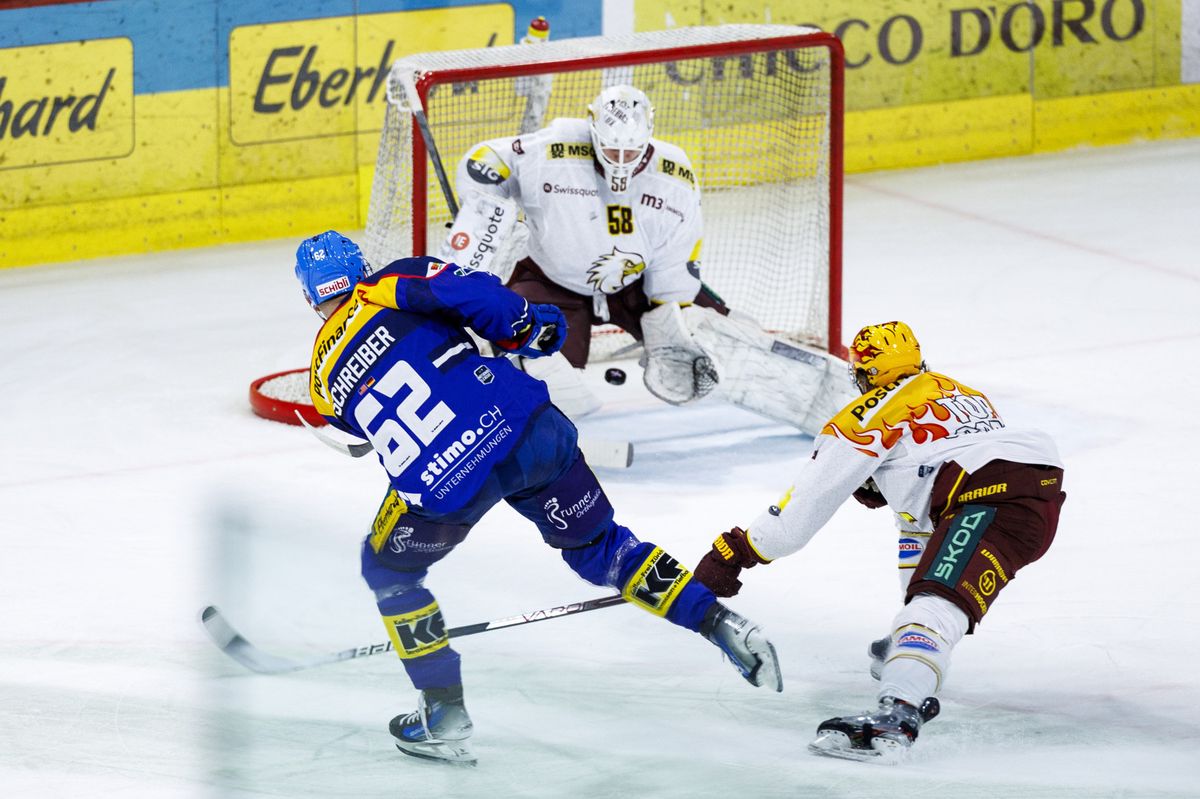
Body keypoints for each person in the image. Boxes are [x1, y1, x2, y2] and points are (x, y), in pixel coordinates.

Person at [293, 230, 782, 766]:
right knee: (603, 548)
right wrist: (529, 326)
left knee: (388, 570)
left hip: (446, 484)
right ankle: (718, 622)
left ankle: (443, 710)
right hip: (528, 431)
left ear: (312, 298)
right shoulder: (388, 283)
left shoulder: (319, 375)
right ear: (360, 268)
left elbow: (358, 434)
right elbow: (474, 296)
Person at [691, 321, 1066, 762]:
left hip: (989, 501)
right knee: (926, 584)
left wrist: (735, 553)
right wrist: (904, 636)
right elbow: (923, 525)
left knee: (935, 608)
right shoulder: (959, 391)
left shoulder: (866, 415)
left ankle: (899, 713)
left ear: (864, 374)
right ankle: (913, 649)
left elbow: (799, 514)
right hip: (1034, 490)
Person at [439, 84, 851, 435]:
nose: (621, 161)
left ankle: (833, 404)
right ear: (593, 129)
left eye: (631, 152)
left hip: (634, 284)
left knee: (712, 335)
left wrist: (671, 315)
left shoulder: (673, 175)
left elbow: (680, 249)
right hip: (550, 280)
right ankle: (525, 432)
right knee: (530, 352)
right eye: (611, 150)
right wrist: (487, 210)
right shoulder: (555, 148)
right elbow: (484, 159)